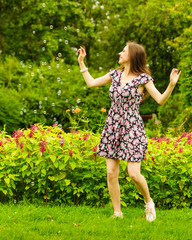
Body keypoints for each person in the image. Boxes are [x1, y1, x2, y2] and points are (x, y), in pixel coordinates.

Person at [77, 42, 181, 222]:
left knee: (133, 173)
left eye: (123, 51)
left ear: (132, 55)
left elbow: (160, 100)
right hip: (112, 126)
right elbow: (91, 83)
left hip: (132, 128)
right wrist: (81, 62)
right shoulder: (114, 75)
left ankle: (149, 202)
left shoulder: (143, 79)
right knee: (111, 173)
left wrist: (171, 85)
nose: (120, 53)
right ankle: (117, 213)